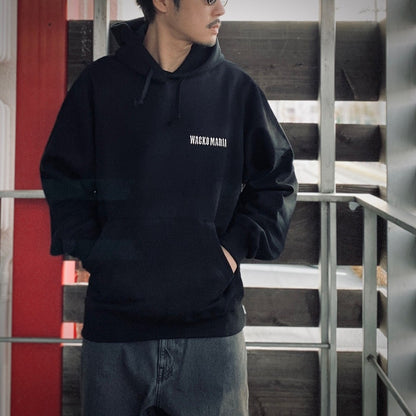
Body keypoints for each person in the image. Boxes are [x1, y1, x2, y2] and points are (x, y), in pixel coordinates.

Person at [40, 0, 298, 414]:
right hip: (115, 334)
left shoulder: (236, 91)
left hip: (211, 337)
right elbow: (62, 176)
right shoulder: (99, 85)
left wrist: (229, 253)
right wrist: (98, 253)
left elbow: (277, 182)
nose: (221, 8)